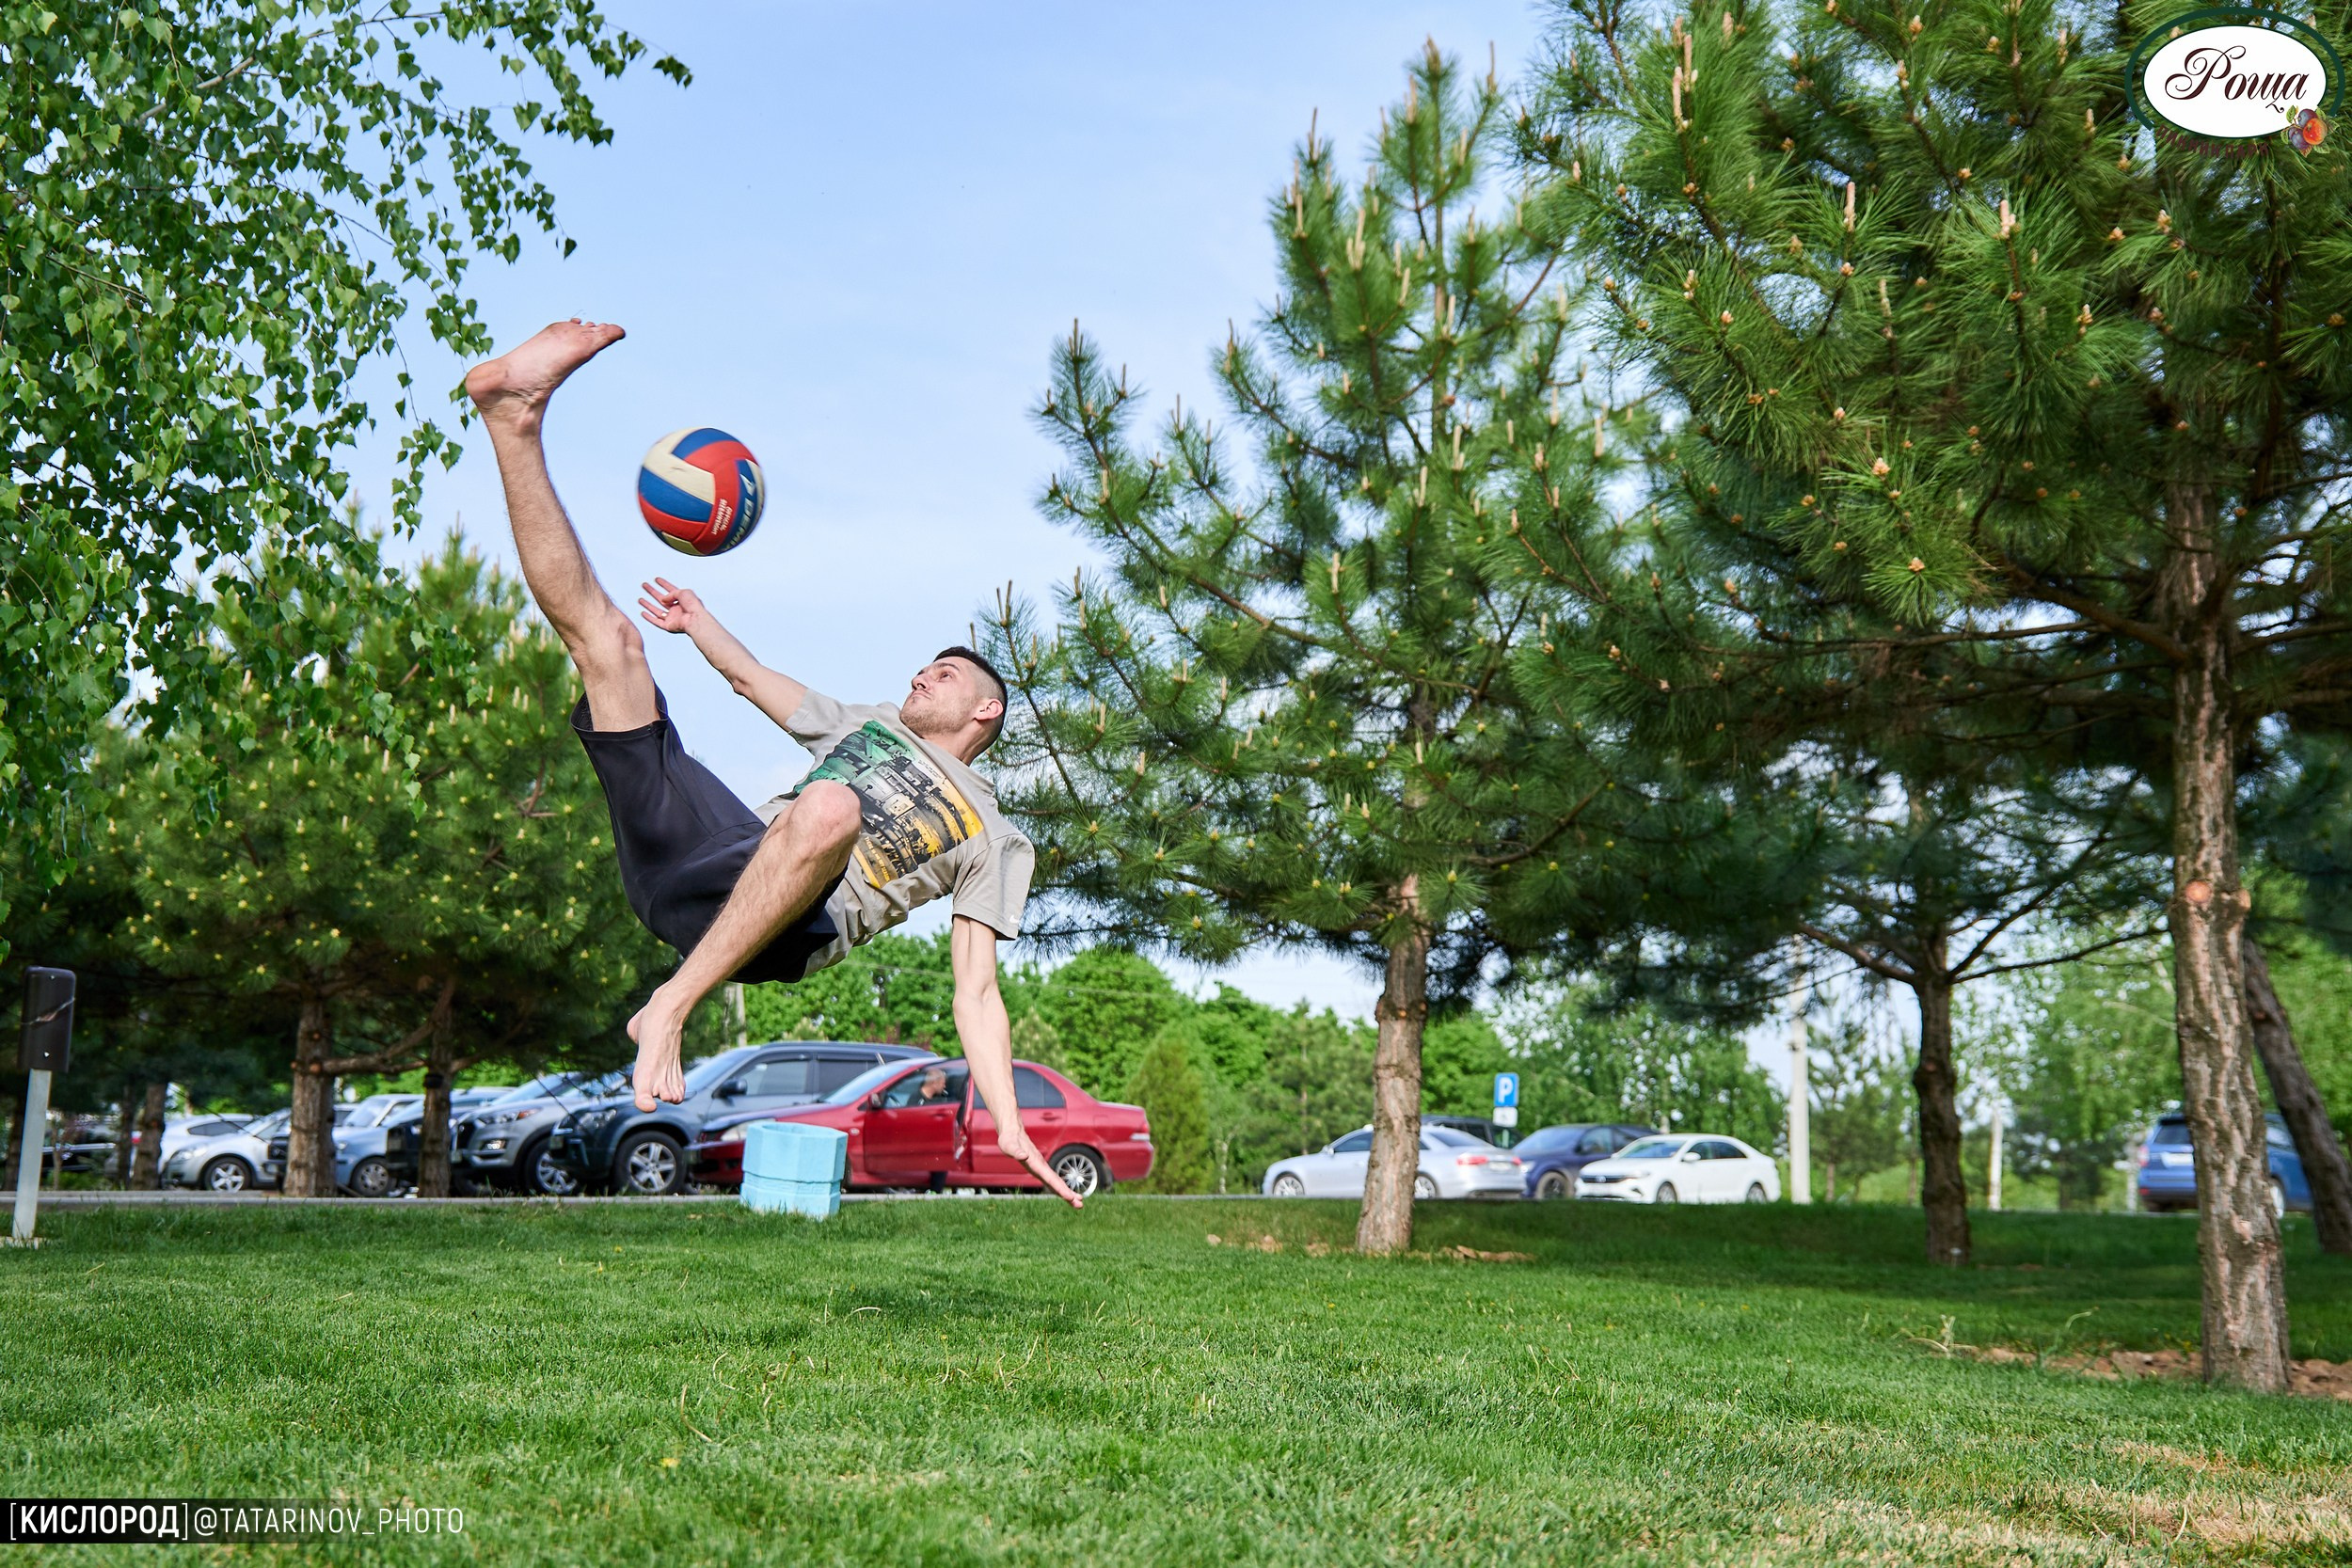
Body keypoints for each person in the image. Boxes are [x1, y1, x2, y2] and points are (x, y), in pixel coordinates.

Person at [463, 318, 1079, 1206]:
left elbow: (976, 992)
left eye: (940, 674)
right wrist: (698, 621)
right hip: (711, 860)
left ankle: (670, 1006)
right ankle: (513, 419)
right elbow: (756, 682)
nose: (920, 675)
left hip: (786, 925)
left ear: (986, 709)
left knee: (832, 809)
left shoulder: (998, 835)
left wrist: (1009, 1122)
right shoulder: (867, 723)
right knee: (613, 646)